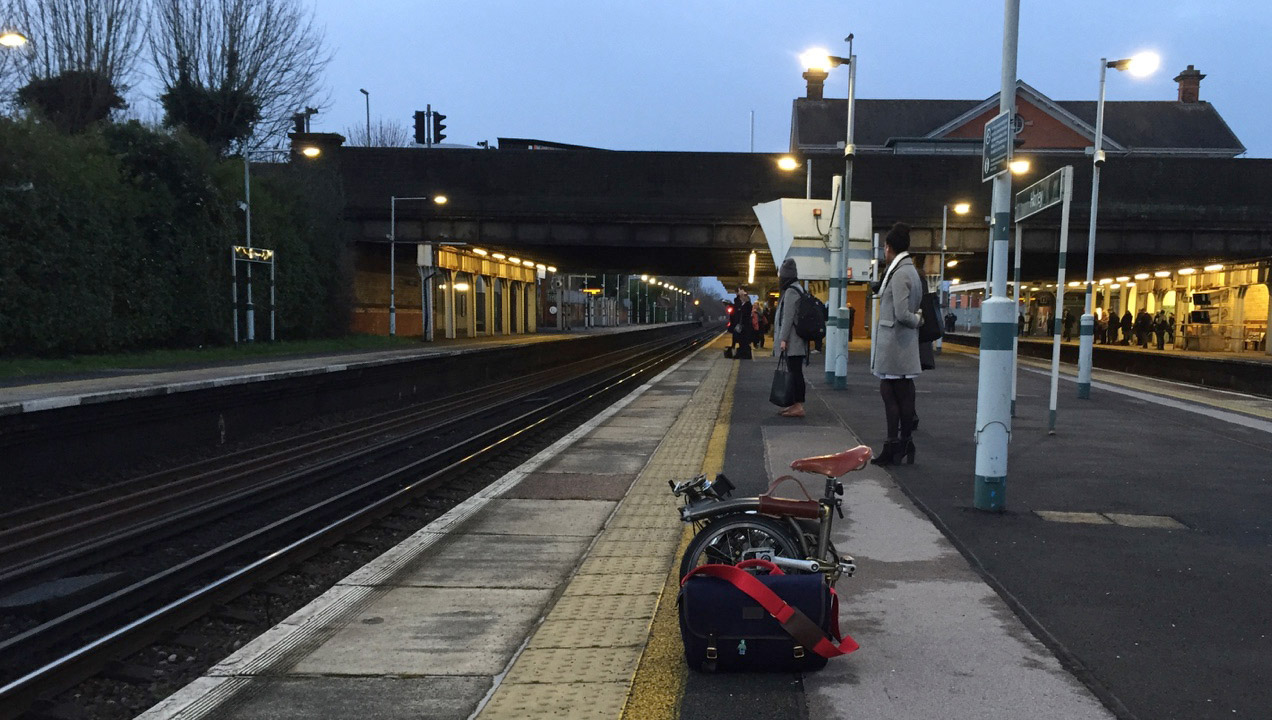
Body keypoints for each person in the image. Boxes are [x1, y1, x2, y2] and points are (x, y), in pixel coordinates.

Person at [869, 223, 923, 466]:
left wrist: (917, 320)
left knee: (890, 392)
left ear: (888, 247)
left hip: (896, 344)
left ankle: (895, 445)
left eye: (884, 247)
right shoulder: (910, 270)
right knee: (900, 392)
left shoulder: (900, 273)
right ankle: (903, 443)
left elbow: (902, 313)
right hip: (901, 344)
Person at [774, 258, 808, 418]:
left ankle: (798, 405)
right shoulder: (798, 288)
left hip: (793, 341)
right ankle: (794, 404)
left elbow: (787, 318)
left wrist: (783, 339)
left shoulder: (791, 292)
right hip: (797, 339)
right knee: (795, 372)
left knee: (795, 373)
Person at [731, 286, 754, 359]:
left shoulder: (747, 304)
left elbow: (745, 313)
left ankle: (745, 354)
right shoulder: (741, 304)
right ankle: (742, 353)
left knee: (744, 341)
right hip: (741, 325)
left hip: (745, 326)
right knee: (741, 341)